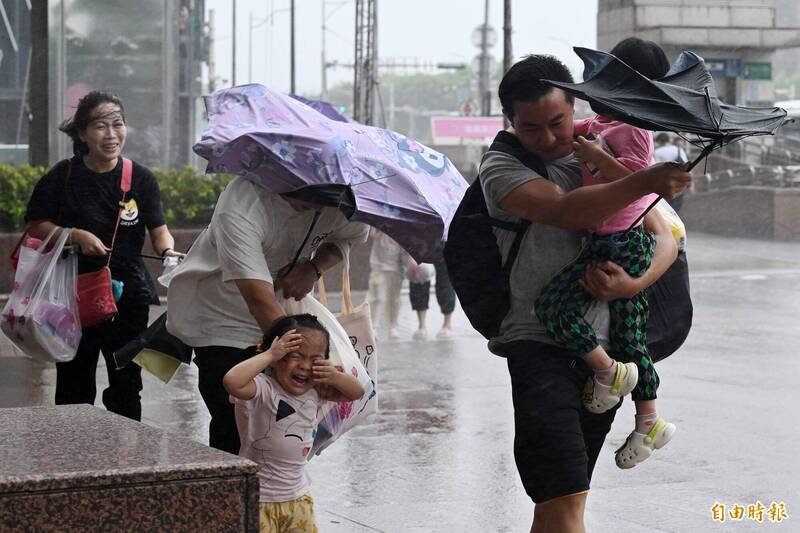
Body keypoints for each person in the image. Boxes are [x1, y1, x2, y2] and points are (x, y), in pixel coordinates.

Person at [483, 54, 691, 532]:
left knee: (564, 501)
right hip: (538, 345)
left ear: (576, 107)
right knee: (563, 498)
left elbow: (661, 234)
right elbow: (566, 210)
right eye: (531, 128)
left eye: (558, 122)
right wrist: (643, 179)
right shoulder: (502, 165)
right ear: (511, 123)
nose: (549, 137)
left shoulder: (600, 148)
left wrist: (633, 283)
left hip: (608, 359)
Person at [533, 37, 677, 472]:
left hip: (622, 240)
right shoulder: (602, 118)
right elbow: (560, 141)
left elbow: (644, 180)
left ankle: (607, 371)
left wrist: (596, 155)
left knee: (552, 306)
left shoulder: (634, 128)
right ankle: (649, 420)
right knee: (631, 336)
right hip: (606, 236)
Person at [167, 178, 369, 454]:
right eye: (306, 203)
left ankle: (277, 488)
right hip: (219, 319)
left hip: (281, 314)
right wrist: (300, 359)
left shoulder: (341, 196)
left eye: (325, 205)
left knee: (282, 426)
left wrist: (313, 268)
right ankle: (234, 488)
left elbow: (349, 236)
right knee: (234, 420)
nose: (318, 212)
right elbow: (258, 299)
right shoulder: (243, 204)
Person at [24, 90, 183, 421]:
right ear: (82, 133)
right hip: (72, 297)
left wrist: (168, 251)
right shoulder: (64, 176)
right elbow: (35, 225)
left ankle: (126, 460)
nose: (111, 134)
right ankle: (73, 459)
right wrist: (74, 236)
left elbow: (158, 229)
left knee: (126, 384)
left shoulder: (140, 178)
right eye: (100, 126)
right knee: (74, 383)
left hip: (128, 300)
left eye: (118, 124)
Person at [223, 314, 364, 533]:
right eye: (296, 355)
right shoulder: (263, 390)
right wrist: (269, 354)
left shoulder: (315, 391)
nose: (305, 366)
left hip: (298, 498)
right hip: (258, 499)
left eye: (315, 359)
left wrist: (335, 377)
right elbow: (232, 381)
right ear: (278, 358)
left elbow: (356, 392)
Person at [366, 228, 409, 339]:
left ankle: (392, 326)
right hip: (379, 268)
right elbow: (372, 234)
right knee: (378, 298)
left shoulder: (403, 231)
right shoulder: (380, 226)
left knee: (394, 300)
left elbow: (405, 254)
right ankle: (373, 327)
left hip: (396, 270)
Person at [408, 259, 456, 339]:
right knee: (419, 279)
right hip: (421, 249)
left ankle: (447, 325)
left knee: (445, 283)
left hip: (442, 250)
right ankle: (421, 325)